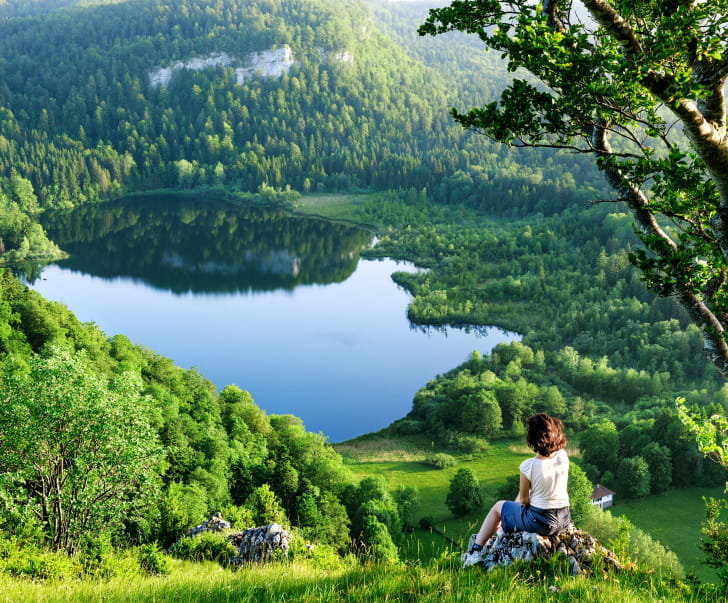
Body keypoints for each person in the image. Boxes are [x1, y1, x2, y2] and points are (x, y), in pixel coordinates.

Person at [462, 413, 572, 567]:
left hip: (541, 522)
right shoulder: (562, 456)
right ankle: (503, 528)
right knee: (526, 498)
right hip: (564, 519)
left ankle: (475, 550)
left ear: (532, 439)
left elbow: (524, 500)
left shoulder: (529, 466)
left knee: (498, 507)